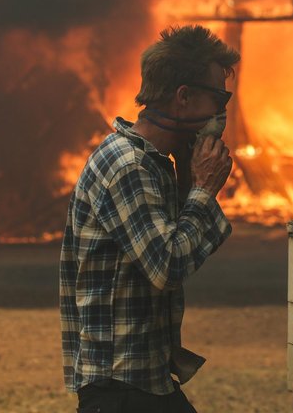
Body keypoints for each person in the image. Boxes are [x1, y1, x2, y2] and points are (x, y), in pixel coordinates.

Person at [60, 24, 239, 413]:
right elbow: (168, 264)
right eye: (218, 98)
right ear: (184, 97)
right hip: (120, 388)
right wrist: (203, 190)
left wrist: (190, 179)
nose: (220, 113)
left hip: (146, 379)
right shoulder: (129, 166)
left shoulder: (157, 165)